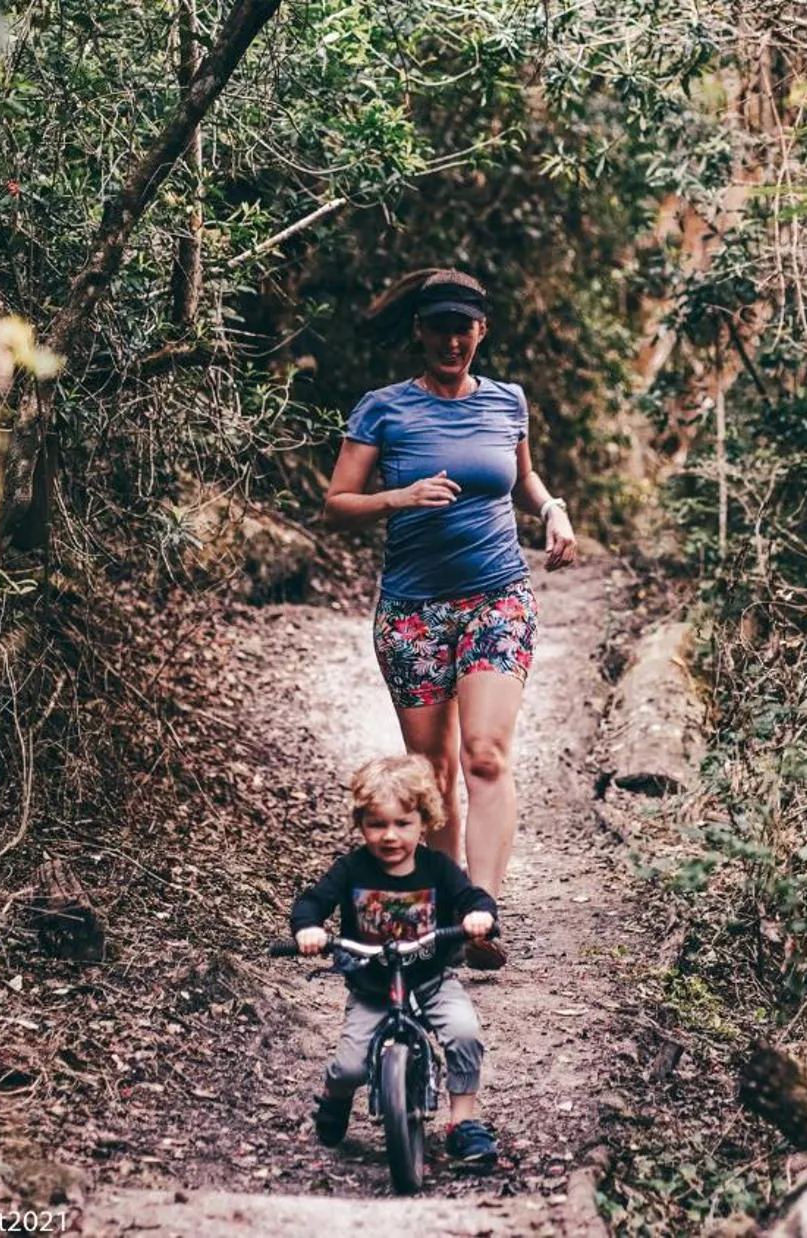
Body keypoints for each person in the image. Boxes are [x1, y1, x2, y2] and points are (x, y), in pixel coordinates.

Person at [324, 269, 576, 971]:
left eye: (464, 328)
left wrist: (552, 509)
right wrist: (398, 498)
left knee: (486, 754)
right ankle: (447, 897)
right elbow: (337, 503)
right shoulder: (384, 410)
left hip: (497, 596)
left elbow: (522, 479)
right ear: (421, 332)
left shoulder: (508, 403)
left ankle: (480, 916)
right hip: (412, 610)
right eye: (439, 327)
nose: (452, 340)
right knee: (434, 770)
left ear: (480, 332)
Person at [291, 753, 502, 1169]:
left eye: (402, 824)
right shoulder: (352, 869)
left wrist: (480, 915)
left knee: (463, 1032)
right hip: (371, 987)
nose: (390, 836)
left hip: (431, 979)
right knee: (350, 1066)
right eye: (377, 824)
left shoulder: (437, 869)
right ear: (360, 825)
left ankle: (463, 1121)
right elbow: (313, 901)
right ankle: (336, 1097)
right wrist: (308, 929)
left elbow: (470, 896)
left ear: (424, 821)